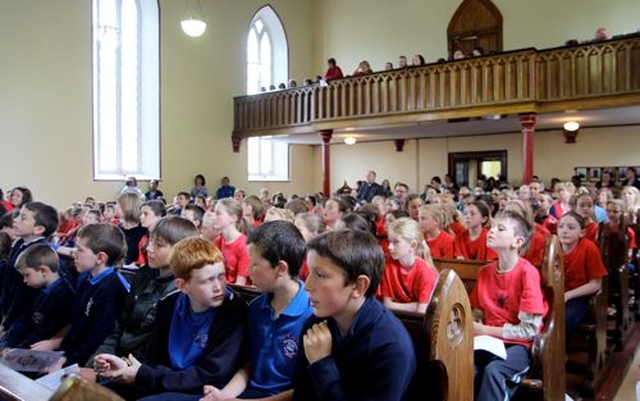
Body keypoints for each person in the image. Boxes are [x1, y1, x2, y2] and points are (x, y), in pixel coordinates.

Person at [169, 221, 314, 401]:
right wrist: (223, 396)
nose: (247, 270)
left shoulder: (312, 314)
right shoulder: (256, 308)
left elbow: (307, 389)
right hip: (249, 393)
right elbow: (249, 365)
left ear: (281, 268)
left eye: (254, 264)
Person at [94, 237, 248, 400]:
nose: (218, 287)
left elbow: (212, 374)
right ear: (183, 285)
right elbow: (156, 359)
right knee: (98, 394)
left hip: (203, 390)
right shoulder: (168, 304)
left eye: (221, 276)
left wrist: (143, 375)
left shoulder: (234, 310)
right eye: (207, 281)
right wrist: (127, 369)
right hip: (168, 380)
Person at [291, 229, 416, 401]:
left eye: (320, 275)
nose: (307, 286)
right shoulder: (316, 323)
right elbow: (302, 393)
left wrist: (322, 364)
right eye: (309, 272)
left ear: (358, 286)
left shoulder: (391, 347)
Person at [88, 216, 200, 370]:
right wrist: (101, 357)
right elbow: (120, 325)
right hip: (116, 357)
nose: (148, 248)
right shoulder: (143, 274)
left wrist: (122, 368)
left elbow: (157, 349)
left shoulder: (181, 293)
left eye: (158, 244)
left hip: (140, 368)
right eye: (150, 240)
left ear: (181, 250)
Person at [471, 211, 546, 401]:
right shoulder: (484, 272)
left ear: (517, 242)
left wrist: (483, 328)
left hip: (518, 346)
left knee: (494, 371)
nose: (491, 231)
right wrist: (475, 322)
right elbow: (477, 311)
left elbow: (529, 330)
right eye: (492, 226)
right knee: (463, 366)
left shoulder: (527, 273)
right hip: (487, 342)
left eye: (500, 228)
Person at [36, 223, 130, 368]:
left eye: (80, 249)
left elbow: (96, 338)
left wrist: (67, 362)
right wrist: (62, 351)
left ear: (100, 258)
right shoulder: (85, 276)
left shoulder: (111, 289)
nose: (74, 253)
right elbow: (77, 324)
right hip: (72, 353)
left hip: (89, 361)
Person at [0, 244, 74, 349]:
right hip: (22, 341)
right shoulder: (41, 288)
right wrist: (9, 336)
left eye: (27, 275)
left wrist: (15, 349)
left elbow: (44, 332)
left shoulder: (63, 296)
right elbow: (27, 318)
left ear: (43, 270)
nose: (25, 281)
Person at [1, 202, 59, 333]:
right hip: (7, 310)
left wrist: (7, 323)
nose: (15, 219)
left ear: (38, 229)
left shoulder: (38, 254)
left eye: (23, 217)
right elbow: (8, 282)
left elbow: (25, 296)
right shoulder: (19, 243)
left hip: (20, 320)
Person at [557, 212, 607, 342]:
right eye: (561, 226)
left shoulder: (589, 248)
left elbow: (596, 284)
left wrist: (568, 295)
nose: (564, 231)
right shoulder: (553, 248)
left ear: (582, 232)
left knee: (564, 318)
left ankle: (559, 354)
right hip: (556, 295)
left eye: (571, 227)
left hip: (580, 297)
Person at [380, 217, 438, 313]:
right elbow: (387, 304)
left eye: (396, 242)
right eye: (390, 241)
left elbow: (422, 311)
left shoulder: (425, 272)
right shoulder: (389, 265)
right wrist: (414, 305)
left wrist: (396, 306)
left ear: (412, 245)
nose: (390, 247)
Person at [214, 198, 250, 285]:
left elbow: (240, 283)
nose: (214, 217)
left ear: (233, 218)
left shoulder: (243, 245)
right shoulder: (218, 240)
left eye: (218, 214)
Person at [117, 192, 147, 265]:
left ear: (127, 208)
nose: (116, 208)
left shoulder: (143, 229)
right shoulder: (117, 228)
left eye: (119, 206)